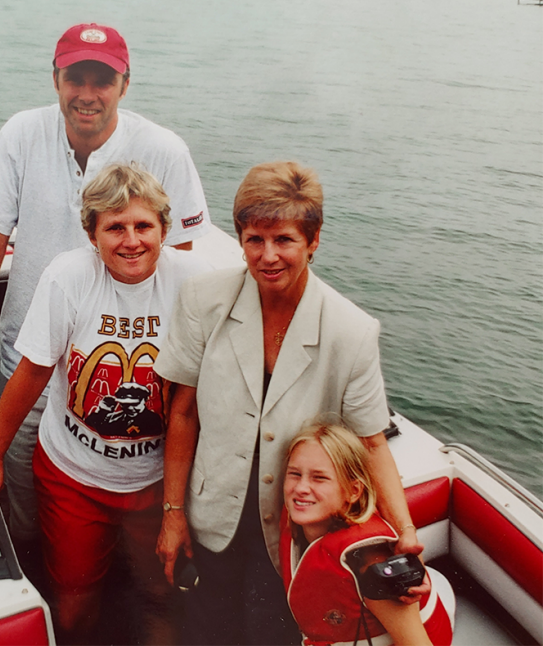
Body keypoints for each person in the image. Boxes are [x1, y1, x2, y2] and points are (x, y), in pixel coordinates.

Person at [0, 23, 212, 545]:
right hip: (29, 362)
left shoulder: (164, 149)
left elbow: (177, 267)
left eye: (102, 80)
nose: (87, 94)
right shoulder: (23, 132)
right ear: (56, 79)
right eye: (76, 78)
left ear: (125, 85)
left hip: (124, 370)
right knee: (23, 495)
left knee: (136, 500)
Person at [153, 161, 426, 646]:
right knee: (201, 631)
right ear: (239, 237)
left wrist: (405, 533)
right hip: (211, 516)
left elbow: (371, 441)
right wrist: (173, 513)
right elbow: (183, 412)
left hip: (296, 532)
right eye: (254, 239)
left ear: (313, 240)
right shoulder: (202, 299)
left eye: (284, 240)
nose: (268, 256)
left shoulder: (352, 330)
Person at [0, 165, 210, 645]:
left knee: (163, 595)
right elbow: (31, 372)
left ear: (164, 229)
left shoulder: (195, 282)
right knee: (71, 609)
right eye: (115, 227)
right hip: (73, 476)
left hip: (157, 480)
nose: (131, 240)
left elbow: (191, 405)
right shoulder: (69, 276)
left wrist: (175, 510)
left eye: (143, 226)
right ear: (91, 233)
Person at [281, 423, 454, 646]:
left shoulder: (372, 561)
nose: (301, 487)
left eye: (319, 478)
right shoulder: (298, 524)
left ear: (353, 491)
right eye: (295, 474)